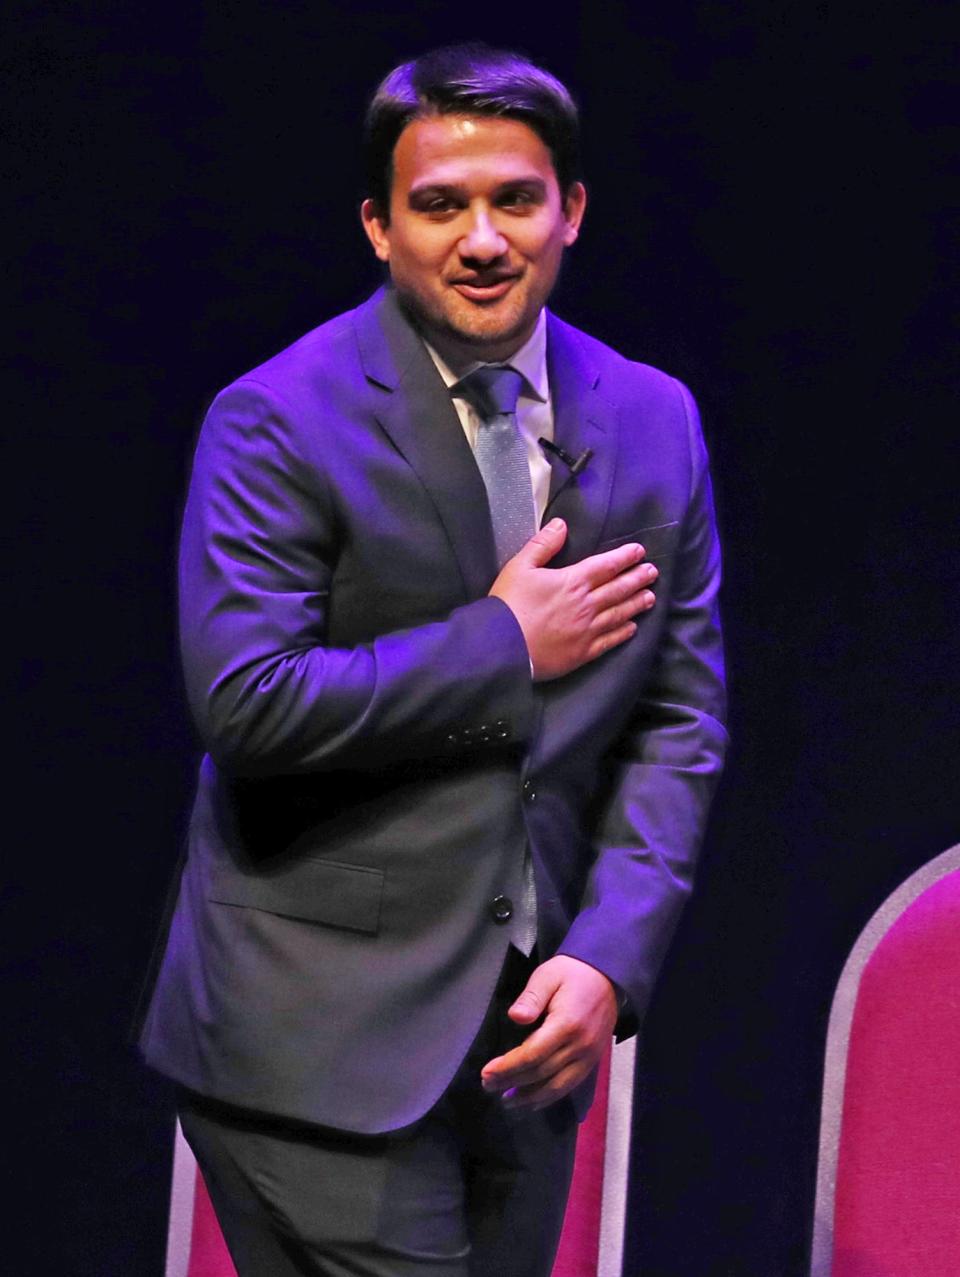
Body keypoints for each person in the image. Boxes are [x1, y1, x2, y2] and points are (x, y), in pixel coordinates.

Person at [140, 41, 727, 1277]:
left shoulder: (654, 416)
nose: (481, 238)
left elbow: (678, 714)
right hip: (317, 1044)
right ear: (377, 225)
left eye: (514, 198)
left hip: (520, 1041)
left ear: (570, 209)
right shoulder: (277, 418)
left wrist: (608, 956)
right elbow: (249, 702)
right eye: (439, 204)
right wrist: (504, 643)